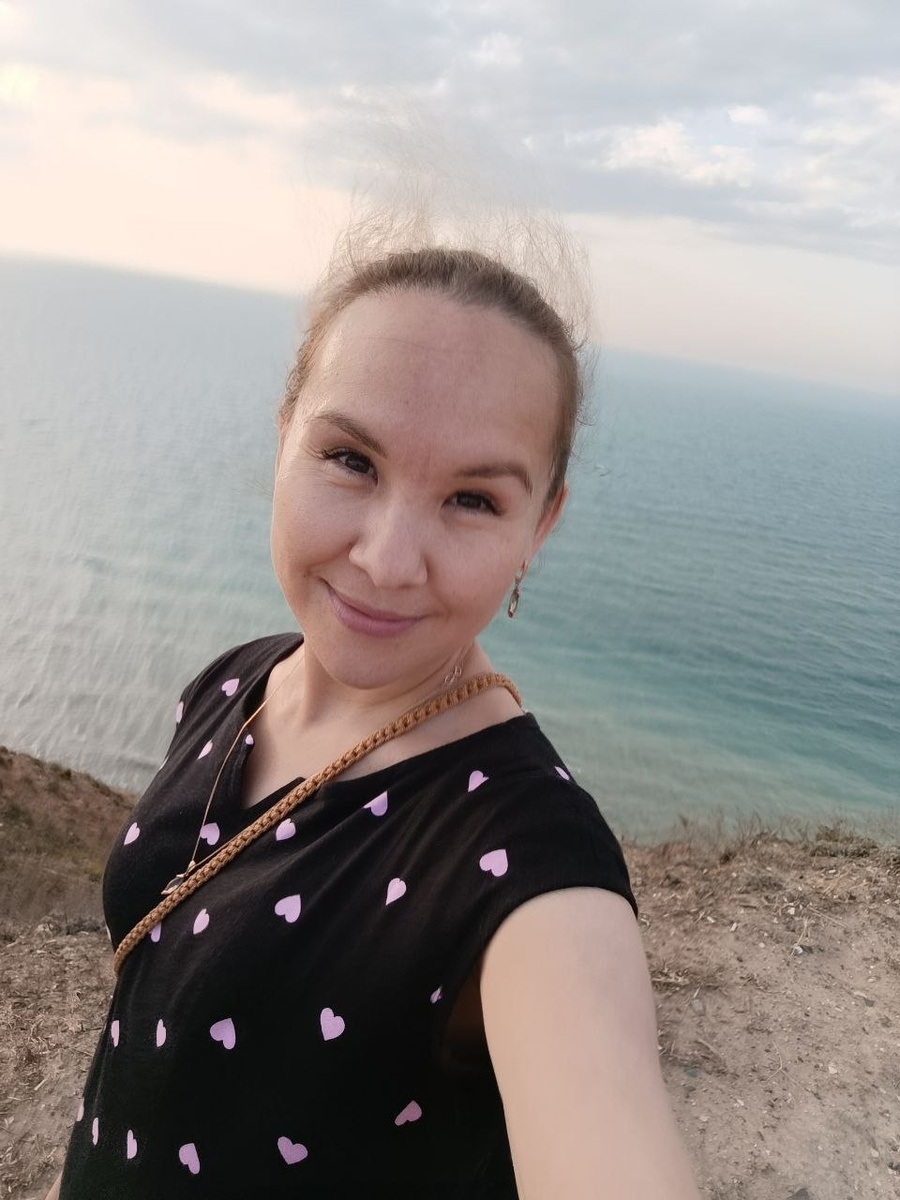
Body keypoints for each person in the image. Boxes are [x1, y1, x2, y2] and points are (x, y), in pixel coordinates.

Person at [49, 237, 700, 1198]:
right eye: (351, 459)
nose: (389, 561)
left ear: (542, 524)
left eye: (473, 499)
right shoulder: (234, 684)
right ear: (285, 435)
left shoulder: (522, 860)